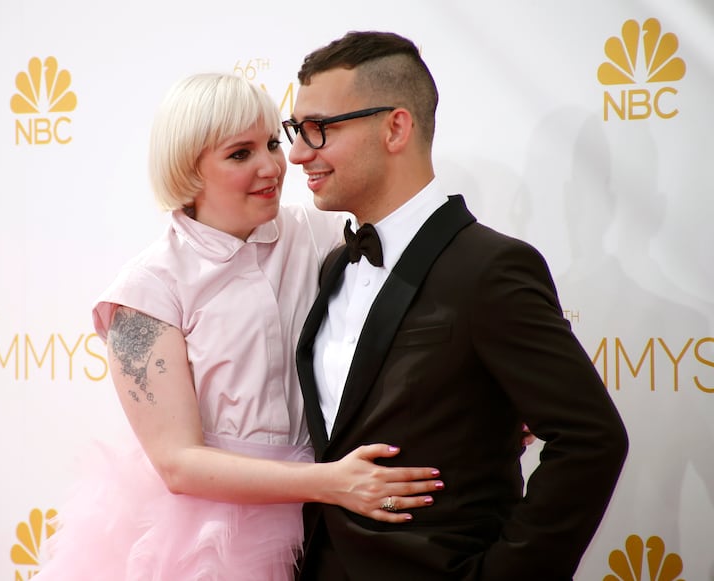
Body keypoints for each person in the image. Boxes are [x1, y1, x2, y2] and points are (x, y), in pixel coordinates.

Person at [36, 72, 443, 581]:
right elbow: (179, 463)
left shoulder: (315, 232)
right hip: (207, 534)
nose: (272, 165)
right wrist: (328, 482)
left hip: (331, 513)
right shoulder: (147, 288)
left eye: (272, 142)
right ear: (189, 169)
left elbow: (418, 306)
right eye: (239, 153)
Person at [284, 31, 629, 580]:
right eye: (295, 131)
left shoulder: (491, 268)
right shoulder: (332, 268)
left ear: (395, 127)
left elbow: (592, 441)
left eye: (319, 130)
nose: (299, 154)